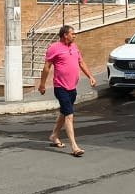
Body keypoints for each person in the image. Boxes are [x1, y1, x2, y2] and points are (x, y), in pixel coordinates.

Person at [36, 24, 98, 156]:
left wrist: (90, 76)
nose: (75, 35)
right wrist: (42, 85)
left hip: (72, 87)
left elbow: (81, 62)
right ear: (65, 35)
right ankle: (74, 147)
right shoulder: (54, 48)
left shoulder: (74, 47)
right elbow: (47, 67)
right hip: (61, 87)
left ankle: (54, 135)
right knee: (69, 115)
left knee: (64, 112)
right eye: (72, 33)